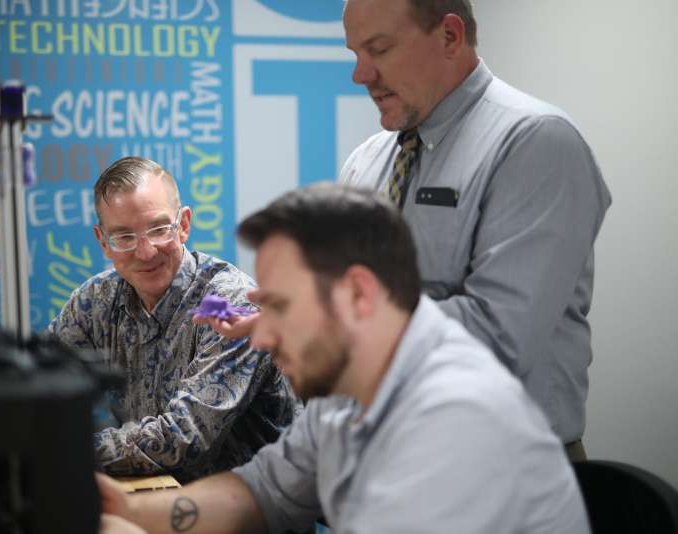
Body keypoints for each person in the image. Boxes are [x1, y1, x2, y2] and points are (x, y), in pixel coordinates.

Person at [214, 0, 612, 459]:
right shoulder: (368, 161)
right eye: (355, 53)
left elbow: (498, 335)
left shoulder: (536, 143)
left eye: (379, 49)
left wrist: (327, 319)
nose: (360, 75)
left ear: (449, 36)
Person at [97, 184, 590, 534]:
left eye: (282, 308)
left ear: (357, 294)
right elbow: (262, 492)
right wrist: (125, 510)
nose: (262, 336)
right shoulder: (350, 390)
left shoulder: (453, 419)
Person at [48, 156, 299, 483]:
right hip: (157, 503)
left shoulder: (228, 305)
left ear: (183, 225)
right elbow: (42, 383)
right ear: (102, 242)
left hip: (253, 515)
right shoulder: (94, 302)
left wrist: (69, 449)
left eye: (158, 229)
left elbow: (184, 438)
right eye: (124, 237)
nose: (146, 252)